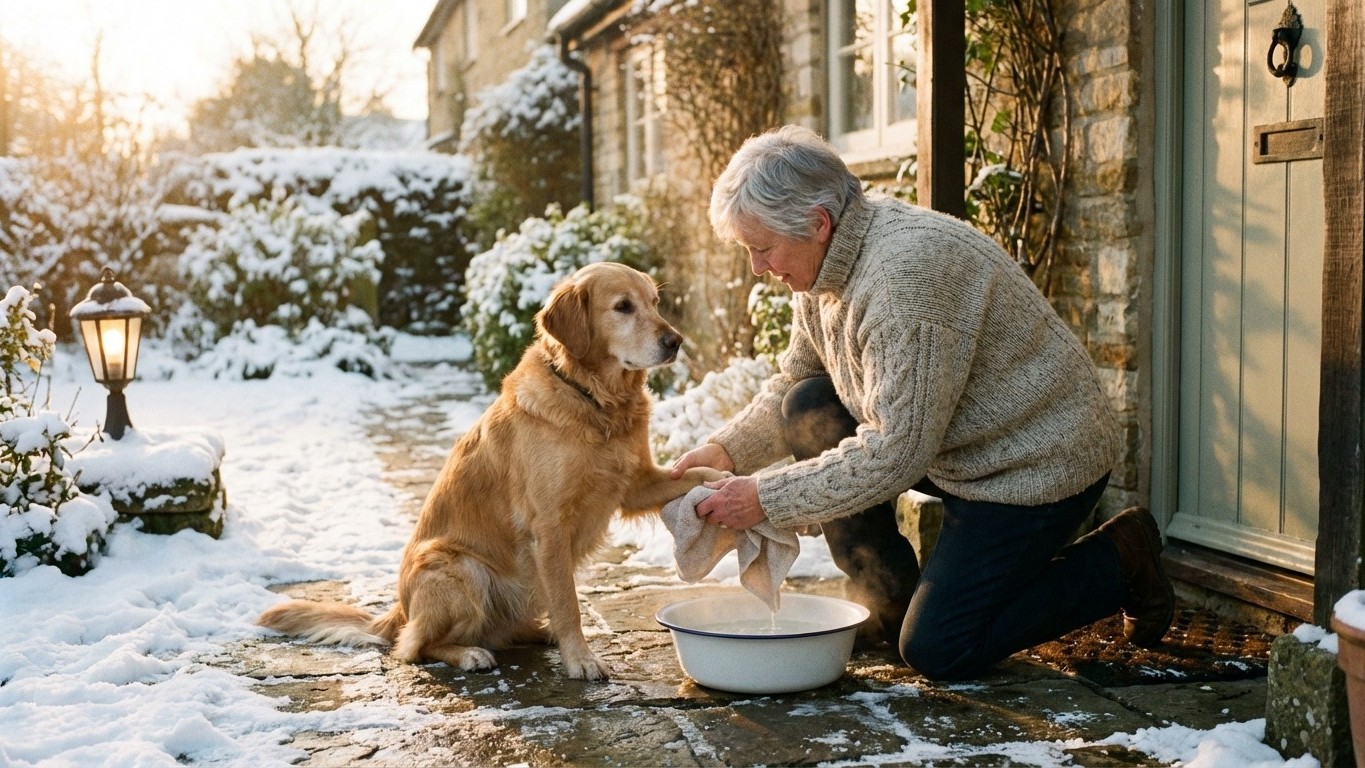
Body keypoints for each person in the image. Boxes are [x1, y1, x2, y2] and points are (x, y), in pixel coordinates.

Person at [669, 125, 1174, 681]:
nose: (757, 268)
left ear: (817, 223)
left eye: (761, 248)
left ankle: (1120, 559)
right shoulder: (825, 268)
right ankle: (890, 603)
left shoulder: (903, 279)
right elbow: (797, 379)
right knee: (807, 402)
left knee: (940, 648)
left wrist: (765, 497)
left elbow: (895, 452)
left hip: (1034, 465)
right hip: (955, 449)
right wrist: (725, 452)